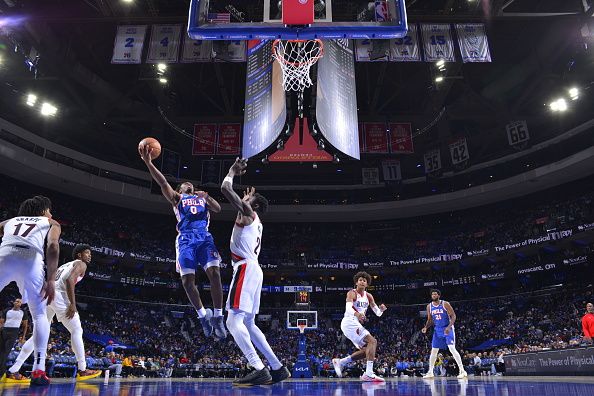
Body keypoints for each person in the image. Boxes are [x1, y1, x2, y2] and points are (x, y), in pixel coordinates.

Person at [139, 144, 226, 339]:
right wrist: (148, 163)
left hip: (204, 237)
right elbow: (162, 183)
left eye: (192, 185)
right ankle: (203, 316)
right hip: (186, 240)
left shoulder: (202, 198)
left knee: (215, 274)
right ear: (180, 189)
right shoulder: (177, 198)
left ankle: (218, 317)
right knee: (187, 281)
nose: (190, 185)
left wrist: (208, 197)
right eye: (187, 184)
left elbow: (219, 209)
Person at [221, 158, 290, 386]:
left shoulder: (249, 213)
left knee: (233, 321)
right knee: (249, 324)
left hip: (245, 268)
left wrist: (232, 171)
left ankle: (257, 366)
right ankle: (278, 368)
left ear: (255, 205)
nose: (244, 198)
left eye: (248, 199)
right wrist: (246, 200)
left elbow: (224, 189)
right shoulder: (256, 220)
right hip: (254, 270)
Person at [6, 244, 102, 381]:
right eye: (87, 253)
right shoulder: (81, 264)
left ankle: (13, 370)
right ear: (79, 255)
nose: (90, 255)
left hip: (47, 295)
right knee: (76, 330)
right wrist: (73, 304)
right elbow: (69, 280)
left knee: (38, 334)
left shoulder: (64, 266)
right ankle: (82, 369)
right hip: (60, 296)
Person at [0, 196, 60, 386]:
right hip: (31, 259)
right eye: (49, 210)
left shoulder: (9, 221)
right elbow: (52, 245)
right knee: (40, 314)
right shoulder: (50, 222)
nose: (51, 213)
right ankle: (38, 369)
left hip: (4, 255)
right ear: (43, 211)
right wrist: (51, 279)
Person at [332, 271, 387, 382]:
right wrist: (357, 314)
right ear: (356, 282)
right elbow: (348, 308)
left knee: (367, 350)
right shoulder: (352, 293)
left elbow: (377, 313)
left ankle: (341, 362)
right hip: (349, 321)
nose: (362, 282)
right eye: (360, 280)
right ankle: (369, 373)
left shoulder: (369, 296)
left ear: (367, 284)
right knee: (373, 341)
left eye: (364, 280)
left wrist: (381, 310)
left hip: (354, 324)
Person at [421, 289, 467, 379]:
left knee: (452, 349)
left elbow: (453, 316)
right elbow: (430, 320)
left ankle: (462, 370)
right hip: (437, 330)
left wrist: (449, 327)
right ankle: (430, 372)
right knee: (434, 351)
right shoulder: (429, 306)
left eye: (435, 294)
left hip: (447, 328)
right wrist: (426, 327)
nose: (433, 295)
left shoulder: (445, 304)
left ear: (439, 295)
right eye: (432, 294)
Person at [0, 298, 30, 377]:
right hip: (4, 331)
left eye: (20, 302)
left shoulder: (23, 312)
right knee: (1, 351)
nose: (18, 303)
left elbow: (25, 326)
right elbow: (1, 322)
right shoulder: (7, 310)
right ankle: (3, 371)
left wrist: (23, 337)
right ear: (14, 302)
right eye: (17, 301)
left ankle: (1, 372)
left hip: (14, 332)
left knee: (5, 352)